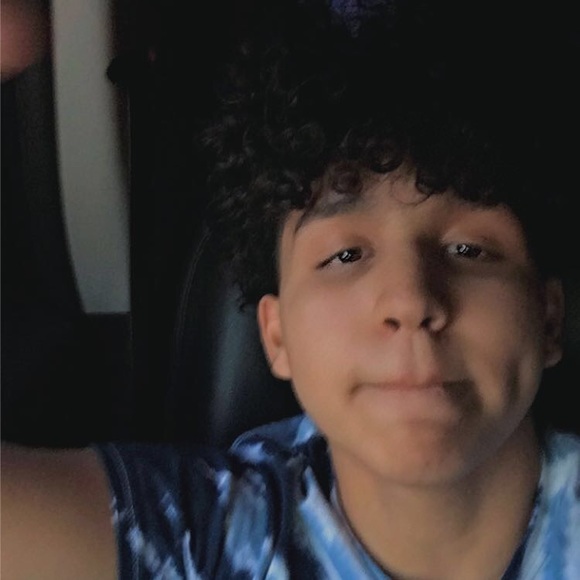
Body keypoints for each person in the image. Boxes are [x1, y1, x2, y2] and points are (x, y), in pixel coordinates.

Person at [2, 0, 580, 578]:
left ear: (550, 316)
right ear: (276, 336)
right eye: (345, 256)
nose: (410, 301)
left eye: (469, 250)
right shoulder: (199, 538)